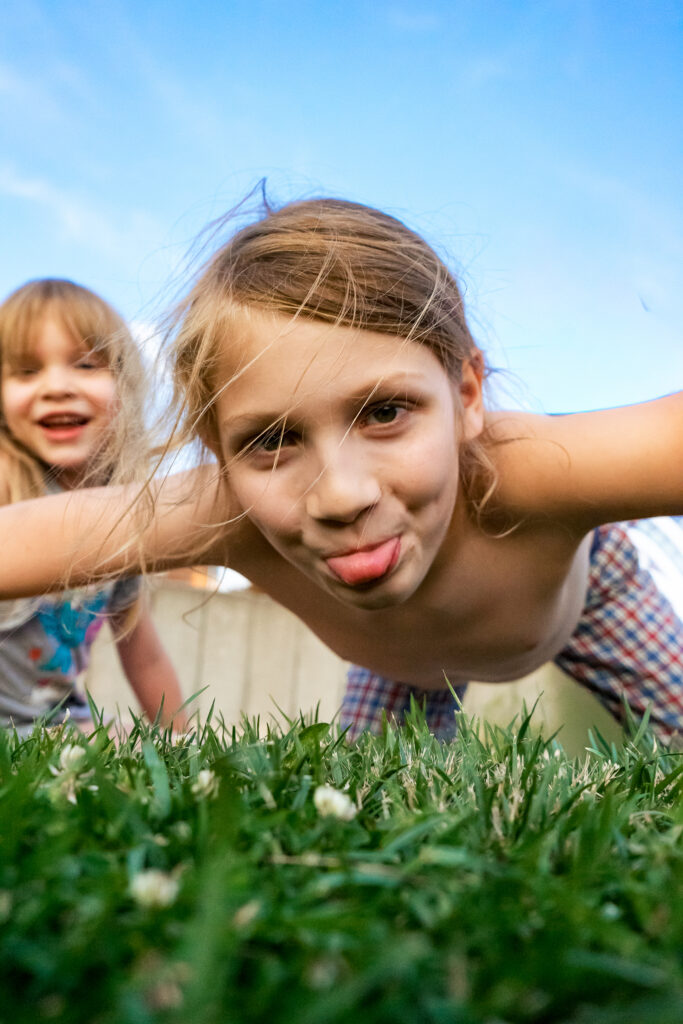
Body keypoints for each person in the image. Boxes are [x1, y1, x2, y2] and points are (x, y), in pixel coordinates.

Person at [0, 199, 681, 745]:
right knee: (365, 819)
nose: (341, 496)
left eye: (385, 411)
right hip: (403, 667)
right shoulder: (224, 512)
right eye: (271, 439)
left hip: (592, 602)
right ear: (216, 447)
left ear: (467, 395)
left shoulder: (535, 473)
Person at [0, 278, 186, 733]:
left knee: (124, 744)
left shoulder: (124, 517)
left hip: (59, 725)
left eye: (85, 364)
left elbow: (144, 653)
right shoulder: (7, 478)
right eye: (26, 372)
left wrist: (183, 738)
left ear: (124, 387)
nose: (56, 386)